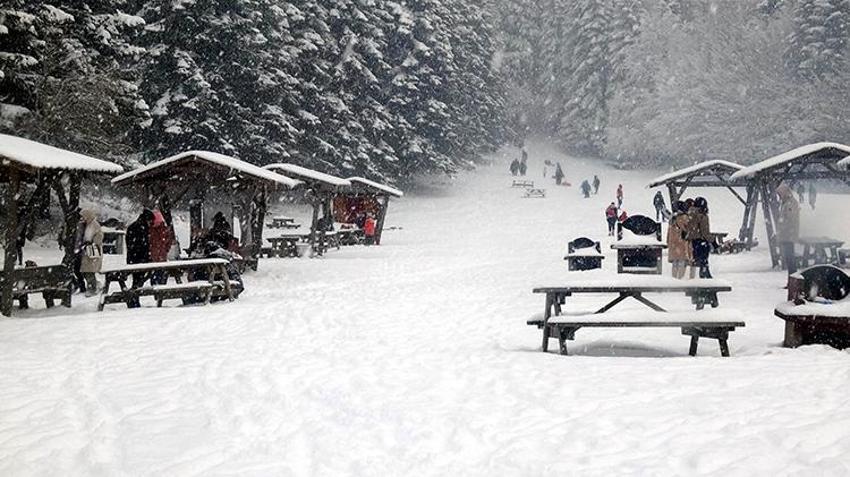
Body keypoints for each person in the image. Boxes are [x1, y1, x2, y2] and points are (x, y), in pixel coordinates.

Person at [125, 209, 154, 308]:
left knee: (137, 279)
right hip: (139, 259)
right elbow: (141, 246)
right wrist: (146, 257)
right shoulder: (140, 228)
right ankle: (133, 298)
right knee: (139, 280)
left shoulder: (134, 227)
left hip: (134, 258)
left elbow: (132, 245)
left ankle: (134, 298)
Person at [776, 184, 800, 274]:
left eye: (780, 194)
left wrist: (782, 226)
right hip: (786, 235)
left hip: (788, 235)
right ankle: (792, 280)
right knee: (789, 258)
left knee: (790, 259)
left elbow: (791, 219)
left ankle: (793, 280)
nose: (779, 196)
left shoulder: (790, 203)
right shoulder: (786, 203)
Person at [78, 209, 103, 296]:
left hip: (93, 251)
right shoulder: (86, 225)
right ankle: (94, 285)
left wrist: (92, 242)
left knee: (89, 271)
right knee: (85, 271)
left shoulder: (94, 225)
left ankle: (92, 287)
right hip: (87, 251)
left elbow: (99, 237)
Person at [686, 197, 712, 279]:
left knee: (695, 262)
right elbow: (705, 232)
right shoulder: (702, 216)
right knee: (703, 262)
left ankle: (693, 279)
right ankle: (705, 278)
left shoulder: (689, 214)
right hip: (701, 242)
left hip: (692, 242)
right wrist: (713, 241)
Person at [667, 201, 691, 279]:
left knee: (675, 263)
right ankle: (680, 279)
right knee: (682, 262)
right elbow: (687, 229)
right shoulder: (684, 217)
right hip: (681, 243)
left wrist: (668, 242)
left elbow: (669, 232)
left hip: (673, 243)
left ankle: (674, 278)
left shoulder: (671, 218)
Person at [149, 209, 173, 285]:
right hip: (161, 257)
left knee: (156, 277)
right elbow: (168, 242)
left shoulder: (150, 230)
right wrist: (165, 249)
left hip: (155, 258)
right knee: (161, 276)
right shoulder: (165, 230)